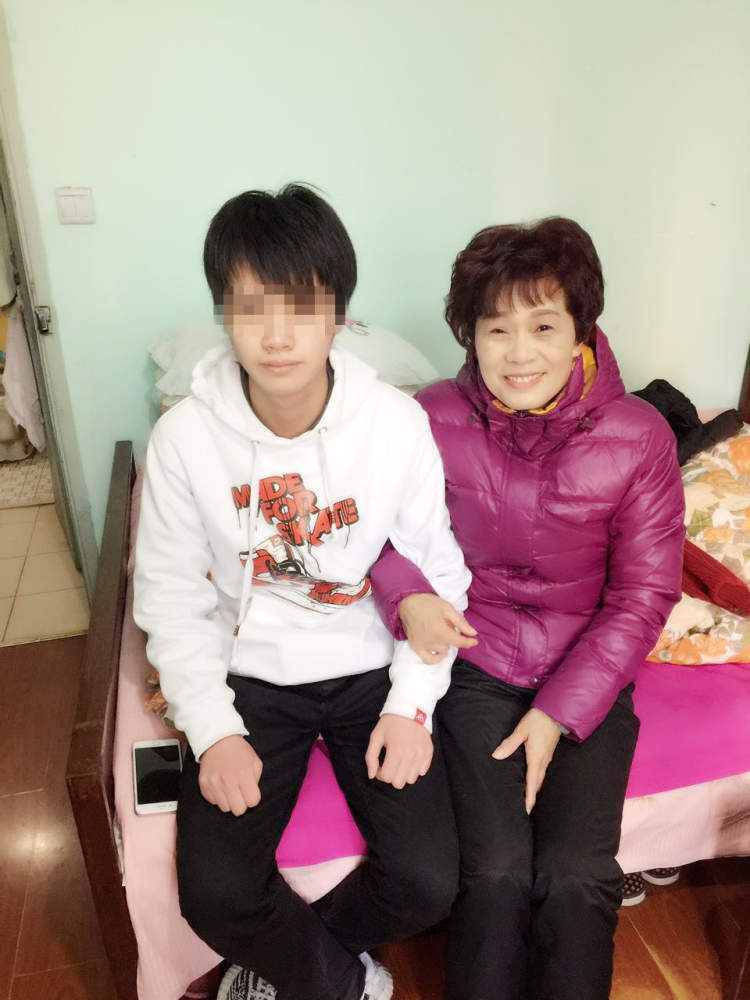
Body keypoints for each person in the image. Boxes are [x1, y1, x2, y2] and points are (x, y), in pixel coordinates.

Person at [133, 184, 470, 1000]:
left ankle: (292, 966)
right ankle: (344, 984)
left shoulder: (395, 424)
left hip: (368, 666)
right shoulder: (184, 439)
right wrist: (213, 729)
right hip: (250, 676)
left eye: (302, 307)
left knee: (429, 881)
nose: (277, 336)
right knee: (216, 893)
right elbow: (172, 600)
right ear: (224, 314)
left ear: (339, 315)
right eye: (252, 308)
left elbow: (437, 574)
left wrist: (410, 706)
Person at [371, 217, 685, 1000]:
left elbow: (644, 594)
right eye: (496, 328)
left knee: (577, 874)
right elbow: (373, 535)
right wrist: (409, 594)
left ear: (580, 332)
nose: (518, 353)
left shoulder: (640, 437)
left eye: (543, 326)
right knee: (496, 871)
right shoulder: (426, 420)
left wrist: (557, 713)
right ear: (470, 335)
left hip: (589, 677)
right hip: (473, 667)